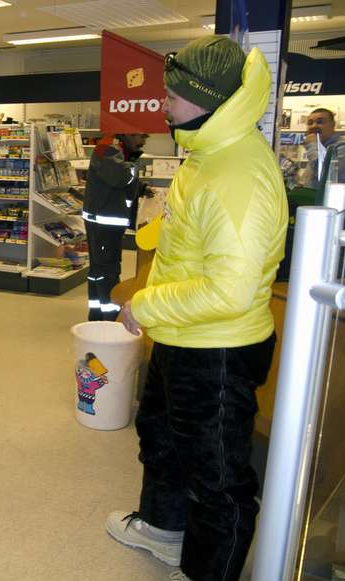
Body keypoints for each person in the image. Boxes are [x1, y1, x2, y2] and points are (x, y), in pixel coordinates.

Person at [106, 36, 288, 581]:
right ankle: (164, 531)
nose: (162, 102)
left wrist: (146, 304)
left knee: (217, 478)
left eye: (172, 94)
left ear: (207, 99)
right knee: (161, 438)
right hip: (184, 335)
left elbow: (230, 290)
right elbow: (198, 241)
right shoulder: (209, 148)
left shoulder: (238, 174)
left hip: (219, 349)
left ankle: (208, 571)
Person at [83, 133, 149, 321]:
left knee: (99, 269)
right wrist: (135, 165)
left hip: (106, 219)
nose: (143, 141)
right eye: (141, 136)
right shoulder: (107, 147)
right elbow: (119, 177)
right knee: (108, 270)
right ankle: (110, 317)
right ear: (128, 131)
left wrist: (141, 188)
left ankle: (96, 314)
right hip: (104, 221)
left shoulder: (118, 149)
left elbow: (118, 180)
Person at [302, 107, 344, 188]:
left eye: (320, 122)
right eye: (310, 123)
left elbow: (325, 174)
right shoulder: (318, 147)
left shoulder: (341, 147)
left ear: (333, 124)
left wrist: (312, 144)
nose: (314, 126)